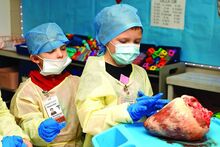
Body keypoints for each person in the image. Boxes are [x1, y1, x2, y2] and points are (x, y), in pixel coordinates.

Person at [75, 4, 169, 147]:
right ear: (106, 39)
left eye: (136, 42)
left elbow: (146, 115)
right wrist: (127, 113)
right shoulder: (94, 73)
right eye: (124, 41)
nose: (131, 46)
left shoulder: (140, 73)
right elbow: (89, 119)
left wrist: (154, 113)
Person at [10, 23, 83, 146]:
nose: (60, 54)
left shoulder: (76, 82)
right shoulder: (27, 92)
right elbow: (27, 122)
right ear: (35, 59)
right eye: (51, 51)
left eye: (63, 48)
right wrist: (39, 129)